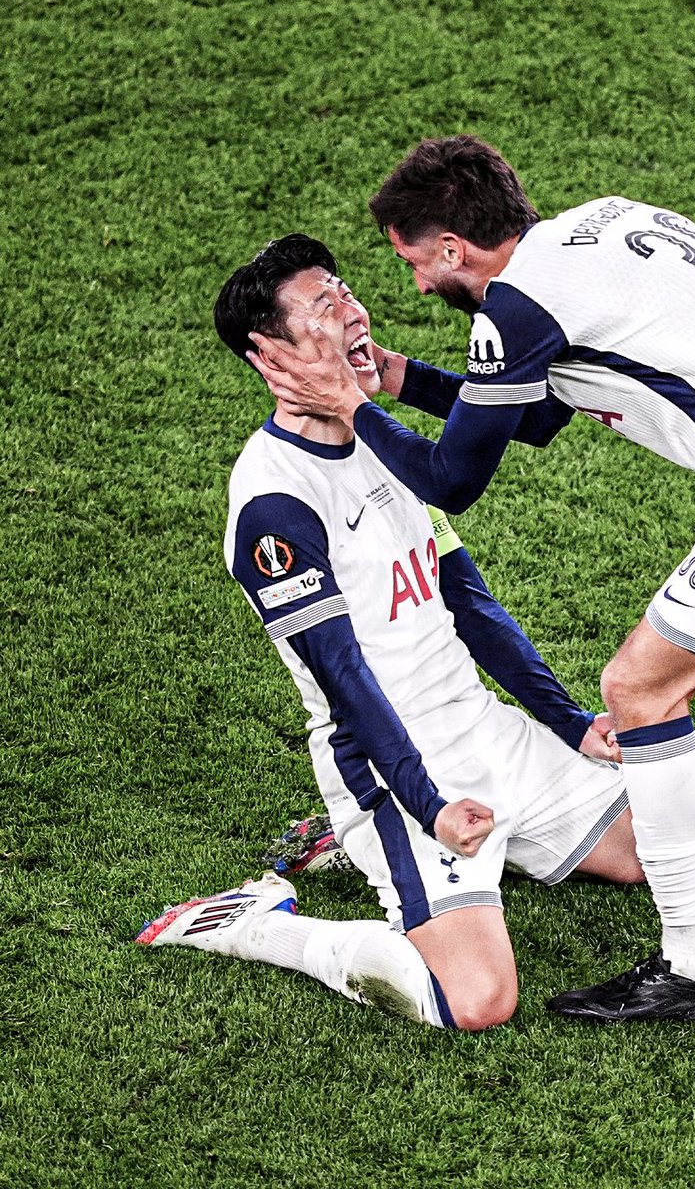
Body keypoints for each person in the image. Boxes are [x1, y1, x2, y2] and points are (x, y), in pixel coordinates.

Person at [246, 138, 695, 1024]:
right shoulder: (605, 224)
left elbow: (455, 480)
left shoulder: (515, 306)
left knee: (638, 689)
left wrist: (356, 406)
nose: (418, 287)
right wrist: (399, 377)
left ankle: (692, 972)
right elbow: (539, 414)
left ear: (454, 248)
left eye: (416, 263)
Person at [136, 233, 648, 1032]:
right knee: (477, 1001)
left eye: (344, 289)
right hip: (392, 765)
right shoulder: (277, 504)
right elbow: (346, 682)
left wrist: (569, 721)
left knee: (659, 848)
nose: (352, 309)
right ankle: (258, 922)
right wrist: (428, 803)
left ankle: (438, 847)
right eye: (322, 306)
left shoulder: (379, 441)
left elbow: (469, 604)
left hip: (480, 728)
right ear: (269, 355)